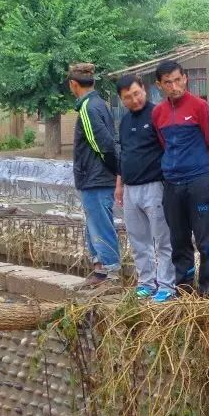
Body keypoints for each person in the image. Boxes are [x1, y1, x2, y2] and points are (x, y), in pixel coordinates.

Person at [150, 59, 209, 296]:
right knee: (178, 240)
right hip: (172, 185)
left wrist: (202, 172)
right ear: (159, 85)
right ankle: (184, 290)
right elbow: (164, 145)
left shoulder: (199, 108)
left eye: (178, 80)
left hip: (197, 183)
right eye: (168, 82)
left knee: (205, 239)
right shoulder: (158, 113)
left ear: (185, 79)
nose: (174, 86)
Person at [114, 74, 176, 303]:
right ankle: (146, 283)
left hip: (155, 186)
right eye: (128, 97)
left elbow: (168, 148)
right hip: (131, 189)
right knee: (139, 240)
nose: (134, 100)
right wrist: (119, 185)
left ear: (144, 89)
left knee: (162, 239)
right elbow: (123, 154)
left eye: (136, 93)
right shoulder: (125, 121)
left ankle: (167, 286)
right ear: (122, 100)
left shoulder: (158, 114)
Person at [67, 63, 121, 288]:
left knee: (100, 223)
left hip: (96, 178)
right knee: (95, 224)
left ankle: (109, 270)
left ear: (73, 85)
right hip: (97, 177)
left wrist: (115, 170)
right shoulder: (99, 104)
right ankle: (99, 269)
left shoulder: (88, 108)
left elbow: (103, 144)